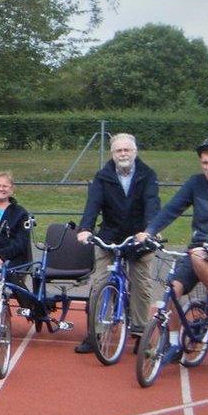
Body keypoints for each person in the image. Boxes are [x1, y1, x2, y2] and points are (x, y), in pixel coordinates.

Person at [136, 137, 208, 361]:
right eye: (205, 163)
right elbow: (172, 209)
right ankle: (175, 343)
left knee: (199, 257)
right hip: (198, 248)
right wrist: (149, 230)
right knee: (172, 293)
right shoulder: (195, 183)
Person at [74, 133, 160, 354]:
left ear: (134, 151)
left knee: (141, 284)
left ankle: (141, 333)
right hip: (110, 236)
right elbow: (93, 204)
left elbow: (152, 203)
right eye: (118, 151)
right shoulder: (103, 177)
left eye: (127, 150)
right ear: (112, 154)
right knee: (99, 283)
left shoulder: (147, 175)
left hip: (139, 237)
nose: (123, 154)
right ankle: (97, 333)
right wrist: (85, 229)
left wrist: (150, 231)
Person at [0, 171, 34, 310]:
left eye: (5, 186)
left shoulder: (20, 213)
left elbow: (21, 242)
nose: (1, 188)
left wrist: (2, 256)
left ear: (11, 189)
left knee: (8, 273)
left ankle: (31, 308)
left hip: (13, 257)